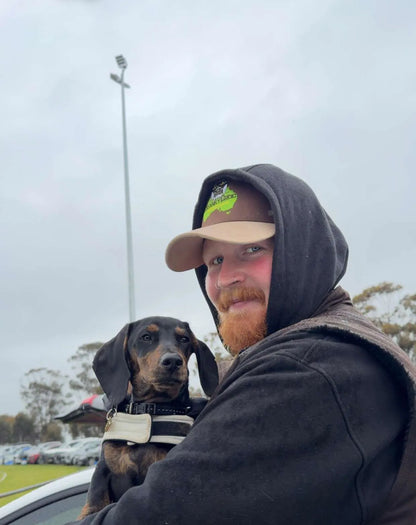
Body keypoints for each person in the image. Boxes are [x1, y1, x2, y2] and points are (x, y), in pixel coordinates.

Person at [73, 164, 416, 525]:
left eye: (251, 249)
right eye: (214, 261)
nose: (225, 278)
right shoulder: (306, 349)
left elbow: (161, 513)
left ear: (304, 250)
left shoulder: (310, 367)